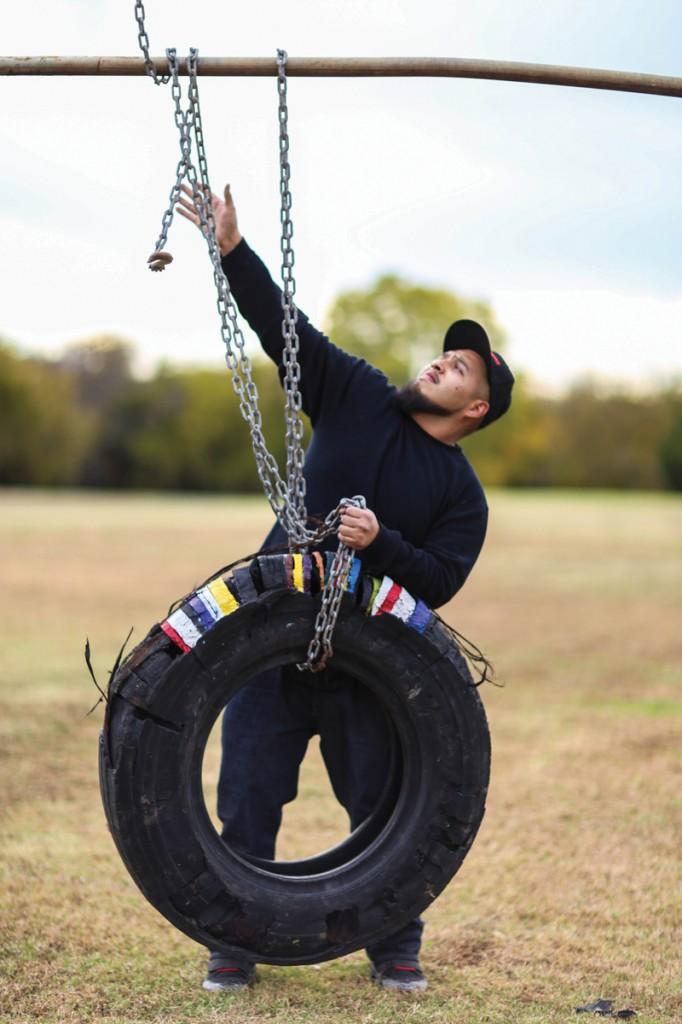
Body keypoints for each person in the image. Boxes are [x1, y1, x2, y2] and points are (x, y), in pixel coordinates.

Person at [177, 184, 514, 994]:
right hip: (271, 632)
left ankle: (396, 947)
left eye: (458, 365)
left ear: (475, 407)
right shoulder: (357, 394)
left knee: (382, 805)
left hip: (369, 666)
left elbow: (439, 581)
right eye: (446, 350)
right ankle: (234, 942)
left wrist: (378, 544)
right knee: (248, 793)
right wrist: (231, 248)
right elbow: (282, 328)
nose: (439, 359)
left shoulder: (462, 496)